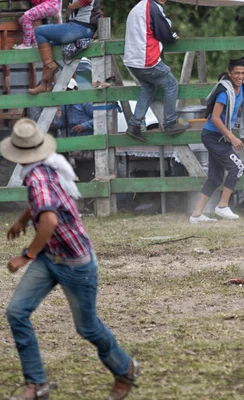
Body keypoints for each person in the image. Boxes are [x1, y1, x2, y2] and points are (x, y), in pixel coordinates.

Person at [1, 118, 140, 400]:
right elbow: (40, 204)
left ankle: (125, 368)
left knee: (87, 327)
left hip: (73, 262)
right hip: (52, 256)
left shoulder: (38, 176)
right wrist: (22, 221)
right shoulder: (46, 167)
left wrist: (25, 256)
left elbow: (49, 219)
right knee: (17, 312)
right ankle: (36, 384)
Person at [189, 59, 244, 223]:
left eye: (243, 73)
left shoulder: (242, 89)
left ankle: (196, 214)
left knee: (215, 178)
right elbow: (215, 118)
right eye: (236, 73)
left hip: (220, 137)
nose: (240, 76)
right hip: (213, 137)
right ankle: (222, 206)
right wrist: (232, 136)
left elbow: (235, 109)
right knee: (237, 167)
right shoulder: (224, 92)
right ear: (230, 74)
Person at [123, 0, 190, 141]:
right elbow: (165, 34)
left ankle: (134, 125)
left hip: (132, 61)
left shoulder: (139, 7)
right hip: (146, 60)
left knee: (148, 88)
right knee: (171, 84)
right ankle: (170, 123)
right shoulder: (153, 8)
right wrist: (172, 37)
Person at [27, 0, 101, 95]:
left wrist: (70, 7)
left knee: (39, 31)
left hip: (80, 27)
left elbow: (86, 0)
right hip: (84, 28)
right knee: (50, 46)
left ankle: (50, 67)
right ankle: (45, 84)